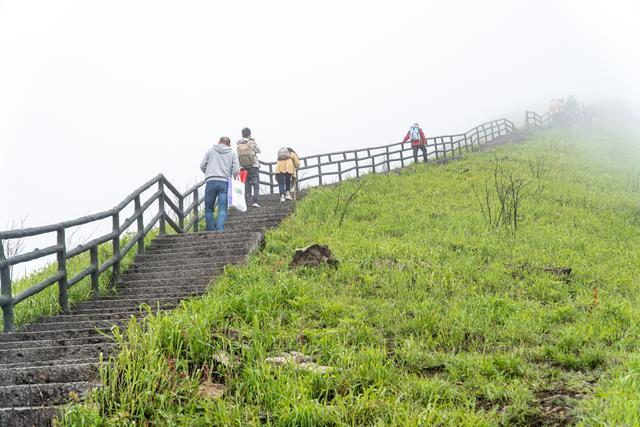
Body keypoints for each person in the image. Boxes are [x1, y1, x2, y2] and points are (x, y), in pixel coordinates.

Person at [200, 136, 239, 231]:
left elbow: (202, 165)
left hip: (211, 182)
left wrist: (209, 173)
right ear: (229, 144)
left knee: (209, 208)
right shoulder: (232, 153)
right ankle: (220, 230)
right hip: (224, 183)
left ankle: (211, 231)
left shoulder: (210, 150)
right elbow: (236, 170)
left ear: (218, 142)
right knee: (222, 208)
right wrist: (232, 174)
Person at [237, 127, 261, 208]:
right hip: (253, 166)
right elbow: (258, 151)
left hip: (243, 167)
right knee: (256, 184)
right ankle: (255, 202)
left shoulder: (239, 143)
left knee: (246, 185)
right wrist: (254, 142)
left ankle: (246, 203)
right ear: (249, 134)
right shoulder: (251, 142)